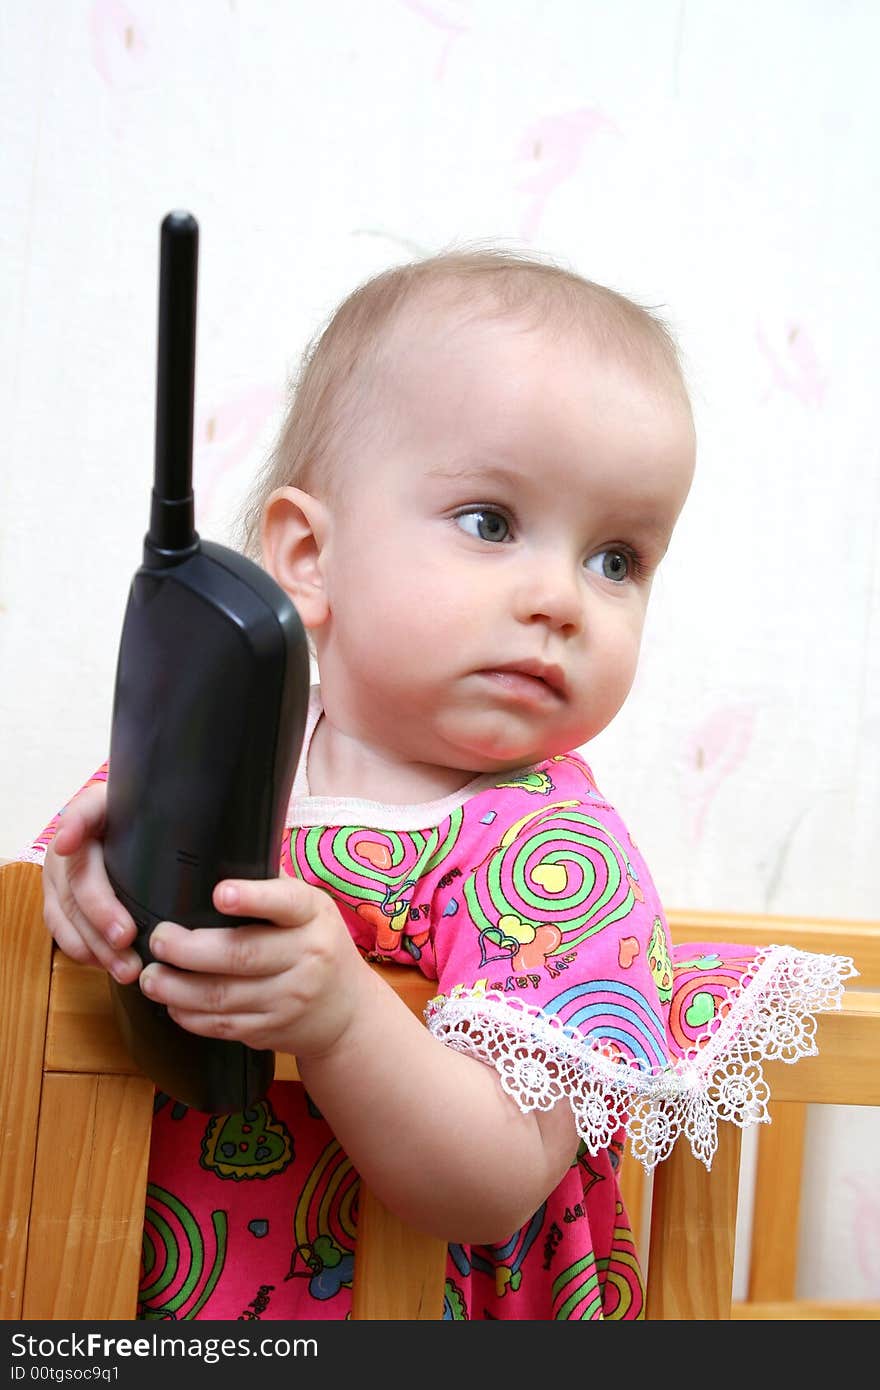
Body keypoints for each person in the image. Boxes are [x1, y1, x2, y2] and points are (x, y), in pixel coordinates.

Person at [26, 249, 853, 1320]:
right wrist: (78, 879)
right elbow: (68, 904)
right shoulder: (214, 747)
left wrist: (341, 1023)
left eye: (616, 558)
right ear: (308, 557)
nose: (559, 595)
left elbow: (490, 1186)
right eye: (490, 522)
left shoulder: (560, 860)